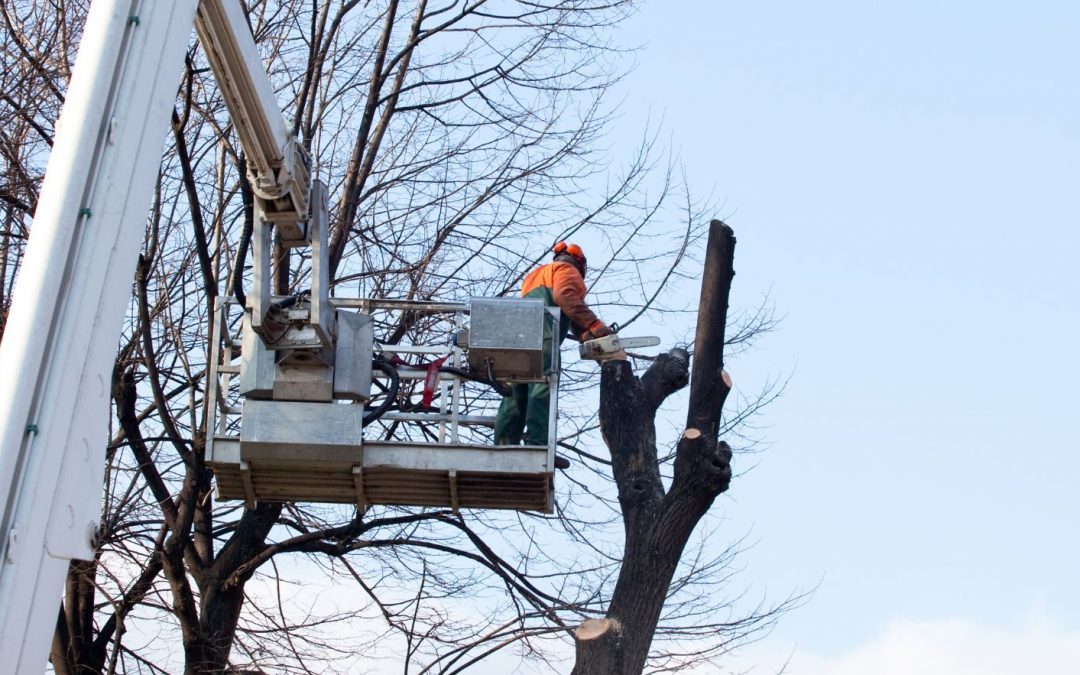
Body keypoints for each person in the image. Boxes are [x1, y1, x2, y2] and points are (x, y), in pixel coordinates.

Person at [493, 242, 613, 448]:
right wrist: (595, 324)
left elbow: (567, 309)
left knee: (515, 392)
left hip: (518, 338)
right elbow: (565, 296)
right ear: (581, 264)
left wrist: (585, 333)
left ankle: (503, 445)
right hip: (545, 335)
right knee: (542, 385)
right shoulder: (568, 270)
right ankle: (537, 443)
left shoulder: (536, 274)